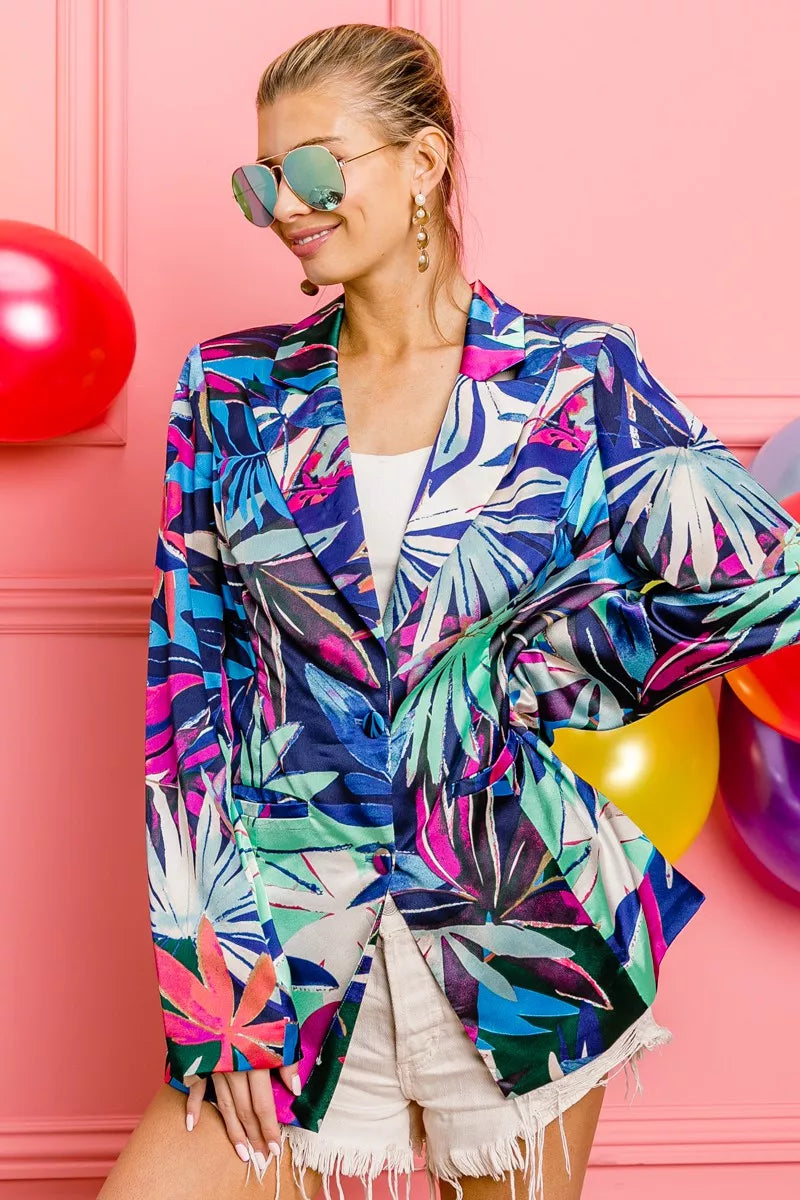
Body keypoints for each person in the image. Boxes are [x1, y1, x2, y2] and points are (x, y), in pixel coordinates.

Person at [98, 21, 800, 1200]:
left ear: (422, 163)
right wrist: (202, 981)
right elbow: (186, 698)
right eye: (260, 180)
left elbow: (760, 577)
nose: (285, 204)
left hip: (513, 926)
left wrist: (529, 660)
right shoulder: (228, 392)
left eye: (316, 168)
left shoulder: (573, 377)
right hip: (296, 954)